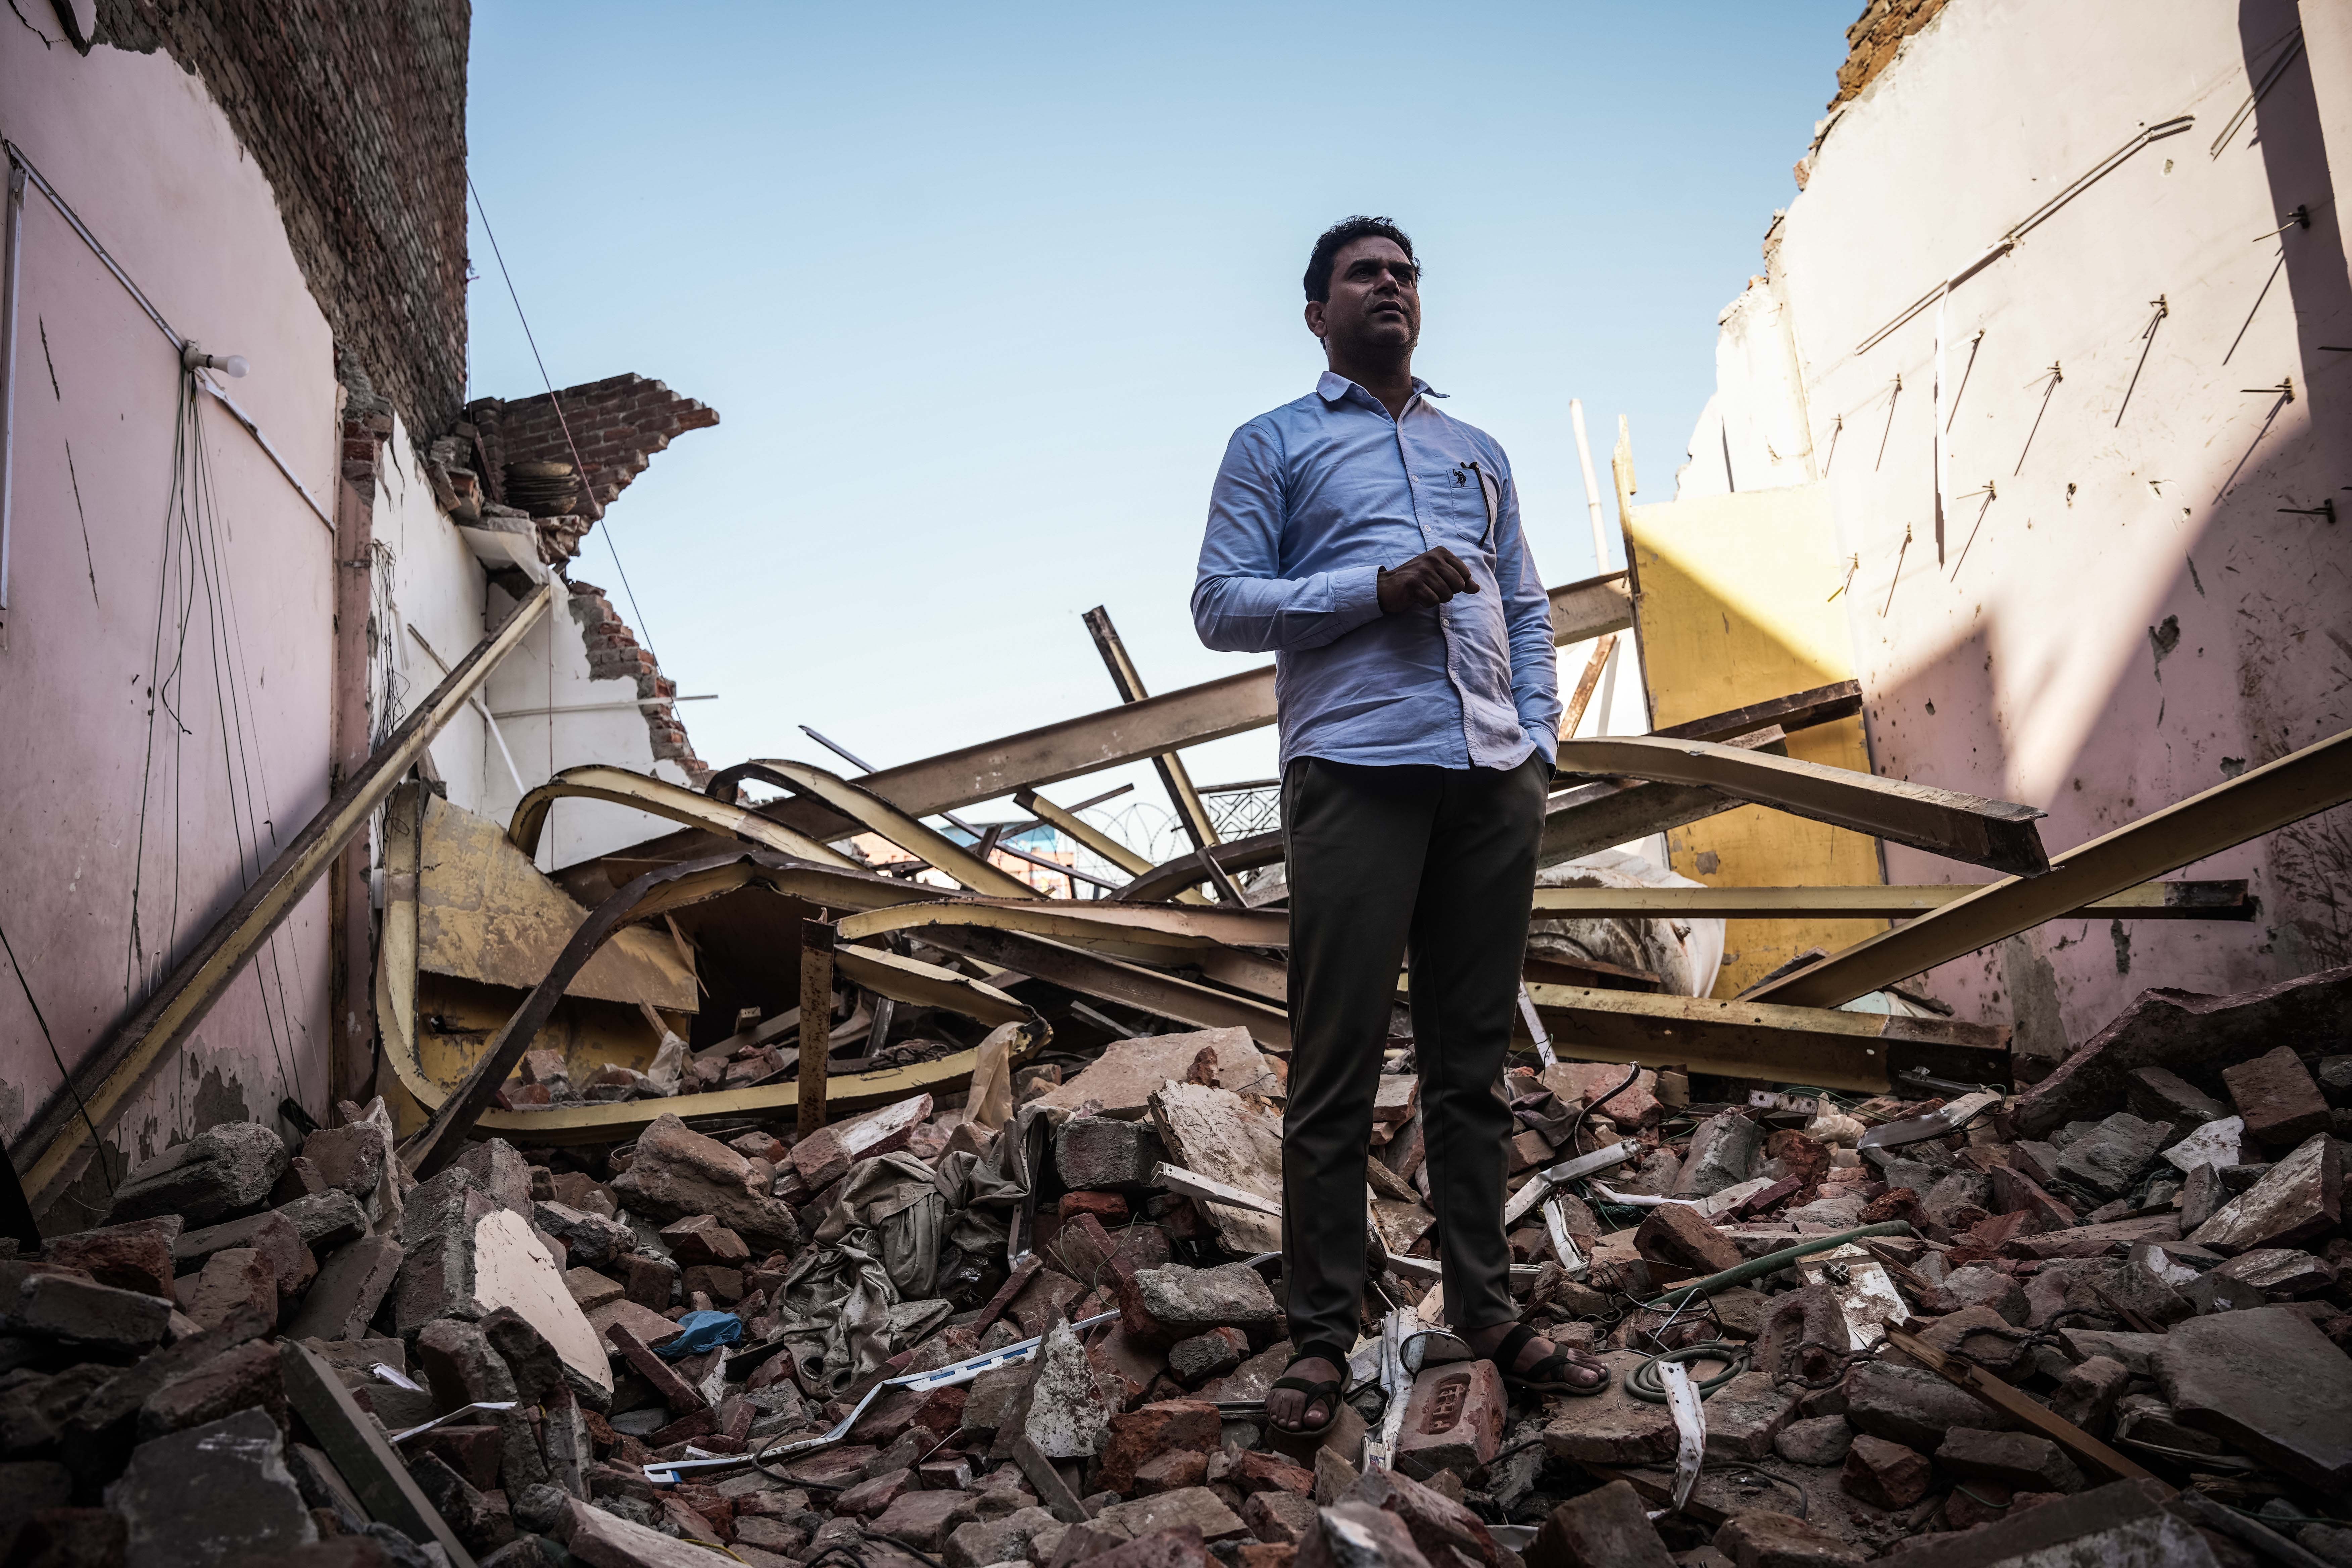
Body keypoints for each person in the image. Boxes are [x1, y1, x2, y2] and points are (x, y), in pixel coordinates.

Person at [1191, 215, 1610, 1446]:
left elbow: (1526, 603)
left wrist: (1537, 741)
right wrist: (1367, 589)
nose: (1392, 288)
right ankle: (1319, 1341)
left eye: (1406, 274)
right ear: (1315, 311)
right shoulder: (1272, 444)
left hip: (1490, 775)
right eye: (1364, 275)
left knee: (1469, 1067)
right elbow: (1219, 604)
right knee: (1333, 1067)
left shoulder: (1477, 450)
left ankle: (1488, 1312)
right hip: (1356, 769)